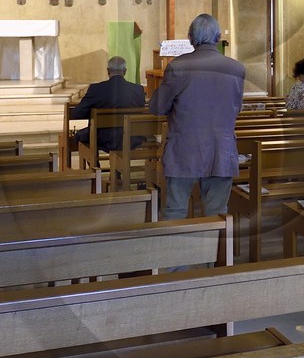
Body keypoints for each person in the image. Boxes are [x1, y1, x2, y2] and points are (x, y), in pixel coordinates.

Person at [148, 13, 245, 219]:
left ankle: (180, 251)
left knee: (176, 210)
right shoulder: (237, 69)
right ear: (218, 38)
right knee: (217, 213)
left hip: (184, 148)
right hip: (222, 149)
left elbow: (157, 107)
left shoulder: (178, 66)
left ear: (190, 38)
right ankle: (214, 252)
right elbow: (236, 107)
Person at [71, 55, 147, 155]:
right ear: (125, 71)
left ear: (108, 71)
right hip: (132, 137)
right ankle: (117, 167)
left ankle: (94, 167)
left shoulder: (96, 89)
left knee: (80, 136)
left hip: (104, 138)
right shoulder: (138, 90)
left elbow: (77, 113)